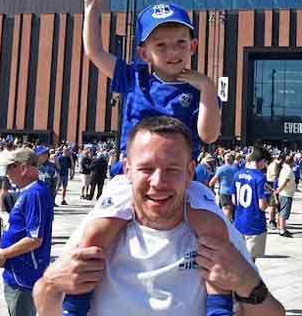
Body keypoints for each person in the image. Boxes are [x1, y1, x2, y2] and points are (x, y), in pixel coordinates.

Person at [74, 0, 232, 316]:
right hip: (132, 178)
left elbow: (208, 134)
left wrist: (206, 88)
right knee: (96, 232)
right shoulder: (133, 77)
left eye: (180, 43)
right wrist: (91, 7)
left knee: (215, 233)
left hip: (181, 179)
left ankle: (219, 307)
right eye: (161, 45)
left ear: (193, 45)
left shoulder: (197, 88)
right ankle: (74, 305)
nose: (172, 52)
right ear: (145, 53)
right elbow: (94, 52)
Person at [32, 117, 285, 316]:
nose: (158, 182)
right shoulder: (101, 225)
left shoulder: (214, 229)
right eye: (146, 169)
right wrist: (50, 285)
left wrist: (246, 281)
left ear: (189, 172)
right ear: (127, 171)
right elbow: (46, 300)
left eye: (172, 170)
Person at [0, 147, 55, 316]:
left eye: (10, 168)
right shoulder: (30, 192)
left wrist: (4, 253)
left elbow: (35, 239)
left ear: (22, 168)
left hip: (24, 273)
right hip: (19, 271)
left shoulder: (34, 194)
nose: (7, 173)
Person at [234, 148, 273, 262]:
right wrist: (268, 196)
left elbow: (233, 200)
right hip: (255, 222)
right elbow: (262, 206)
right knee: (250, 262)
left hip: (239, 220)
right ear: (262, 161)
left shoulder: (237, 174)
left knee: (239, 257)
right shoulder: (260, 178)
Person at [208, 153, 238, 221]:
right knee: (233, 208)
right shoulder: (236, 168)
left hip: (224, 191)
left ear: (224, 159)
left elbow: (212, 181)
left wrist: (209, 185)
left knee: (226, 208)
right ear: (232, 159)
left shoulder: (221, 169)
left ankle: (227, 224)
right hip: (234, 191)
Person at [275, 154, 297, 238]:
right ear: (290, 162)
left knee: (282, 212)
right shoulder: (288, 170)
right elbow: (286, 181)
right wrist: (279, 189)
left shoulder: (285, 168)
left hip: (285, 193)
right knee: (284, 213)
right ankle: (282, 230)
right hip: (286, 193)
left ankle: (283, 227)